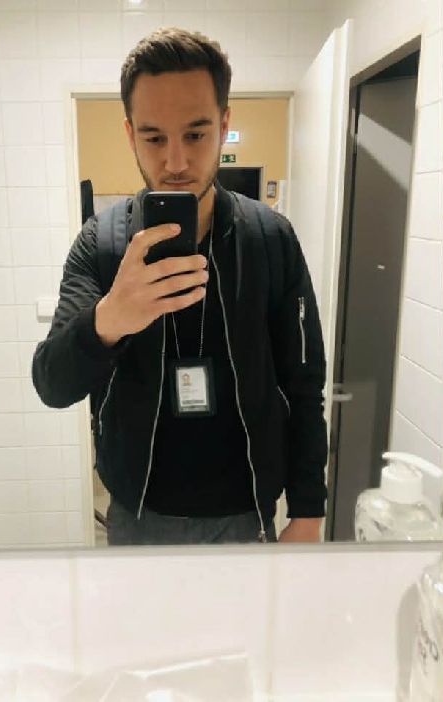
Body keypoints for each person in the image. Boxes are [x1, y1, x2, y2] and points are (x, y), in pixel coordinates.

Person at [32, 28, 328, 546]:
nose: (175, 163)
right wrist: (109, 320)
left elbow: (304, 384)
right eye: (153, 138)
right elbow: (52, 384)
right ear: (130, 135)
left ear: (224, 125)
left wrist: (308, 511)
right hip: (138, 513)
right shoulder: (101, 244)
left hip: (247, 511)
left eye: (195, 135)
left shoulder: (270, 238)